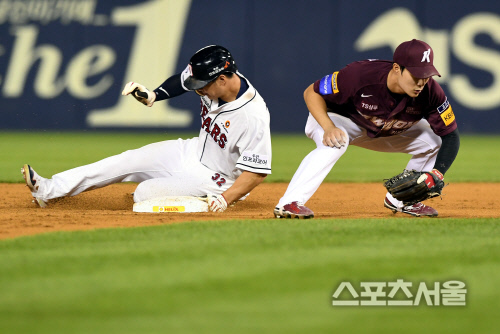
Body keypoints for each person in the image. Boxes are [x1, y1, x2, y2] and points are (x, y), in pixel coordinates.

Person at [22, 45, 272, 212]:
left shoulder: (253, 116)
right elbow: (182, 82)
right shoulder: (211, 81)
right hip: (190, 151)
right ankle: (48, 189)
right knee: (126, 160)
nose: (198, 89)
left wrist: (225, 198)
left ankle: (202, 197)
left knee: (143, 194)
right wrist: (154, 95)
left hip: (218, 179)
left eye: (203, 84)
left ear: (222, 78)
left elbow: (256, 173)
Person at [274, 39, 459, 218]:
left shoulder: (431, 92)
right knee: (337, 141)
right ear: (397, 68)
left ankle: (402, 200)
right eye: (416, 76)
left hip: (383, 127)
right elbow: (312, 92)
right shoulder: (360, 75)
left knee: (434, 140)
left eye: (426, 76)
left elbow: (450, 135)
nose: (421, 83)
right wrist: (328, 127)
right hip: (337, 120)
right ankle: (289, 202)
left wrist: (437, 173)